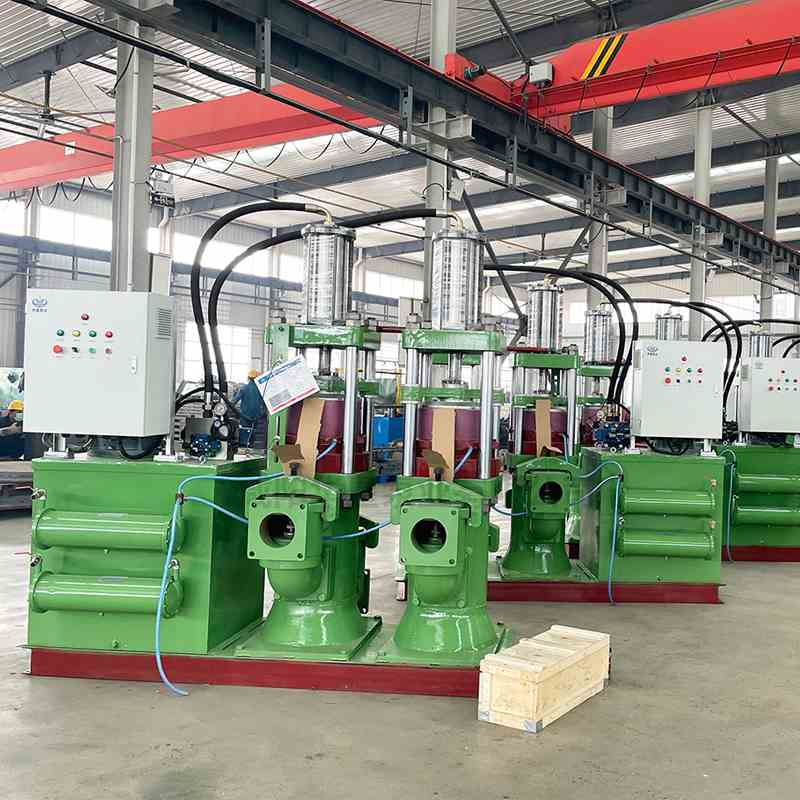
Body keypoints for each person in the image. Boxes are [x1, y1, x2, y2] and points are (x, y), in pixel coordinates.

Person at [232, 369, 266, 447]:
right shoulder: (261, 390)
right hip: (256, 417)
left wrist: (236, 412)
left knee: (244, 435)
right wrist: (261, 414)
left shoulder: (244, 388)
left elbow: (233, 402)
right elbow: (264, 404)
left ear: (248, 378)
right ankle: (251, 446)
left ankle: (243, 447)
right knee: (252, 434)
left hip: (244, 417)